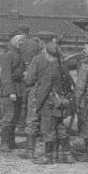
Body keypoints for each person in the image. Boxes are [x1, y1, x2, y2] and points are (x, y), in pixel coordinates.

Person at [32, 43, 73, 164]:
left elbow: (44, 90)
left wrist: (37, 106)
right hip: (60, 103)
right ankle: (67, 155)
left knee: (47, 130)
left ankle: (48, 156)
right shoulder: (63, 68)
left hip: (49, 104)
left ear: (48, 54)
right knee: (61, 128)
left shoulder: (50, 69)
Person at [20, 31, 57, 159]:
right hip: (52, 96)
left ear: (42, 42)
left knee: (32, 121)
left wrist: (27, 78)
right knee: (48, 124)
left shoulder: (37, 59)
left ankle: (30, 151)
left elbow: (30, 80)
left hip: (36, 94)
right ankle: (49, 153)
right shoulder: (58, 59)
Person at [0, 31, 26, 153]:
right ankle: (4, 143)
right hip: (11, 91)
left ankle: (11, 141)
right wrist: (11, 92)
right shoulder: (8, 55)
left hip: (18, 89)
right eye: (19, 40)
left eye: (22, 40)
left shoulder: (18, 53)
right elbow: (6, 76)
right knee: (8, 118)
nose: (21, 43)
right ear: (13, 41)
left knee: (15, 117)